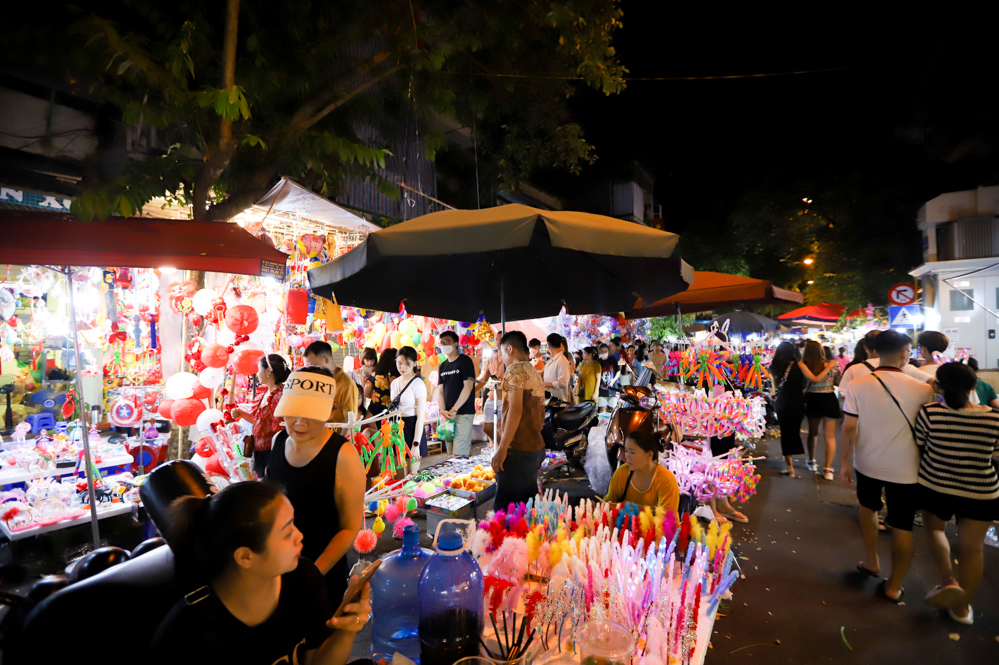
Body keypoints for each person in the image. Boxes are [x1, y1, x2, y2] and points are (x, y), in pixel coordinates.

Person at [150, 482, 370, 665]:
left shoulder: (302, 578)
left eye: (294, 523)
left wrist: (346, 629)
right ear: (245, 556)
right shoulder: (189, 632)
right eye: (287, 532)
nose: (300, 535)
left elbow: (315, 660)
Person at [840, 331, 935, 603]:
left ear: (875, 351)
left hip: (867, 462)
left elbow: (849, 426)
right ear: (905, 353)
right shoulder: (923, 389)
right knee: (903, 525)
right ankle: (894, 586)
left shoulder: (858, 385)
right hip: (907, 468)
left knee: (868, 508)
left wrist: (845, 462)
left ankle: (872, 561)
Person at [266, 367, 365, 607]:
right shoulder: (277, 441)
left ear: (330, 412)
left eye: (311, 414)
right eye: (293, 412)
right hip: (274, 570)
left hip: (320, 572)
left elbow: (349, 528)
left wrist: (311, 574)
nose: (300, 422)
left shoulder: (343, 455)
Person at [914, 362, 999, 624]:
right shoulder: (995, 418)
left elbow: (920, 443)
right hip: (982, 491)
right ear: (975, 386)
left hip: (936, 485)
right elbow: (995, 452)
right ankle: (962, 609)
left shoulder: (929, 412)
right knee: (972, 550)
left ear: (938, 386)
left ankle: (948, 581)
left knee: (936, 530)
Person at [492, 331, 546, 510]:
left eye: (501, 353)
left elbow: (515, 410)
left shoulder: (515, 370)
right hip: (535, 448)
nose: (501, 358)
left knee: (506, 512)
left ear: (509, 348)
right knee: (526, 508)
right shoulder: (534, 371)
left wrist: (502, 448)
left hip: (519, 449)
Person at [237, 354, 291, 478]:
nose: (257, 373)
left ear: (268, 371)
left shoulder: (279, 396)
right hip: (260, 452)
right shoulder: (264, 392)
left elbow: (280, 430)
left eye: (258, 369)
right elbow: (258, 421)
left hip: (273, 454)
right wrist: (241, 414)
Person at [839, 330, 933, 397]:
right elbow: (933, 382)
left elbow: (844, 395)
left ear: (866, 346)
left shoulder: (853, 370)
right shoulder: (906, 367)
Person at [604, 429, 680, 513]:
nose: (627, 457)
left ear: (649, 454)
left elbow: (667, 520)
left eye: (632, 452)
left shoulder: (666, 480)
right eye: (626, 451)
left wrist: (636, 511)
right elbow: (607, 503)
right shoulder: (622, 472)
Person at [803, 340, 842, 480]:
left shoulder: (804, 365)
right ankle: (828, 469)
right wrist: (831, 368)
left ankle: (811, 460)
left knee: (813, 432)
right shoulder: (831, 365)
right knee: (830, 436)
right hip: (829, 398)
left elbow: (812, 380)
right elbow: (839, 382)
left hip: (813, 399)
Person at [434, 330, 476, 457]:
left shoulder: (465, 361)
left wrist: (454, 409)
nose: (443, 345)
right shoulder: (443, 366)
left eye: (447, 341)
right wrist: (442, 410)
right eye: (441, 342)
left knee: (459, 455)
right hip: (448, 415)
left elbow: (468, 387)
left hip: (463, 412)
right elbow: (440, 390)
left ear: (456, 343)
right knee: (451, 454)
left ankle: (463, 476)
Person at [304, 341, 359, 430]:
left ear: (326, 360)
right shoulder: (314, 381)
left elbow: (350, 423)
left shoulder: (346, 385)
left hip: (334, 439)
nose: (311, 370)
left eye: (313, 365)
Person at [770, 342, 806, 478]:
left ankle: (790, 466)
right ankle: (796, 451)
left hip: (783, 402)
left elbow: (774, 386)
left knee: (785, 433)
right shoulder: (799, 366)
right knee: (794, 430)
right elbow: (808, 381)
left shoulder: (775, 366)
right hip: (797, 402)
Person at [392, 346, 428, 460]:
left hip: (412, 428)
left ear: (415, 364)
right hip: (397, 427)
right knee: (398, 474)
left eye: (407, 363)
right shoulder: (394, 383)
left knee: (412, 474)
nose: (402, 367)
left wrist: (416, 443)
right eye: (399, 363)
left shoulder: (418, 384)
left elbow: (421, 417)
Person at [364, 348, 399, 419]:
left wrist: (376, 396)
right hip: (392, 412)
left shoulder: (374, 375)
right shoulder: (399, 377)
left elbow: (365, 393)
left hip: (375, 411)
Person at [544, 333, 574, 404]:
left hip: (558, 402)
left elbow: (562, 383)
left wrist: (545, 384)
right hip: (549, 400)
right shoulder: (551, 360)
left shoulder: (562, 360)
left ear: (548, 345)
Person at [597, 343, 620, 414]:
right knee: (601, 409)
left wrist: (613, 380)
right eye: (603, 351)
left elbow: (618, 371)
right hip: (601, 389)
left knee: (613, 409)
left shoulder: (613, 360)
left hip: (612, 389)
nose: (605, 353)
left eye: (606, 351)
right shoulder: (598, 362)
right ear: (600, 352)